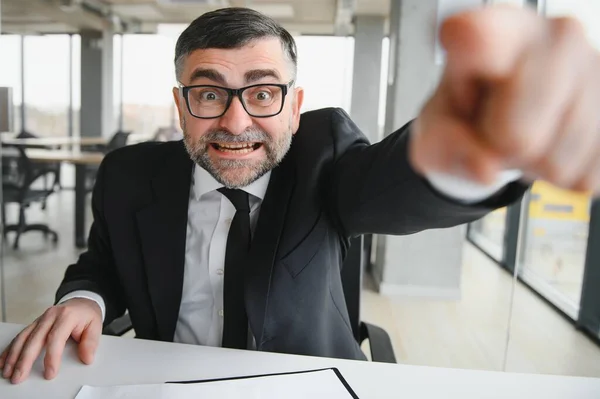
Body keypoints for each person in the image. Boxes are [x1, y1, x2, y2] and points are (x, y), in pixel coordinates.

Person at [2, 5, 600, 385]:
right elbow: (101, 262)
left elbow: (385, 190)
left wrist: (466, 160)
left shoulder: (323, 156)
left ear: (295, 104)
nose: (235, 122)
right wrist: (86, 299)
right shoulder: (129, 173)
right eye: (209, 94)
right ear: (180, 104)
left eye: (262, 93)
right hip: (167, 381)